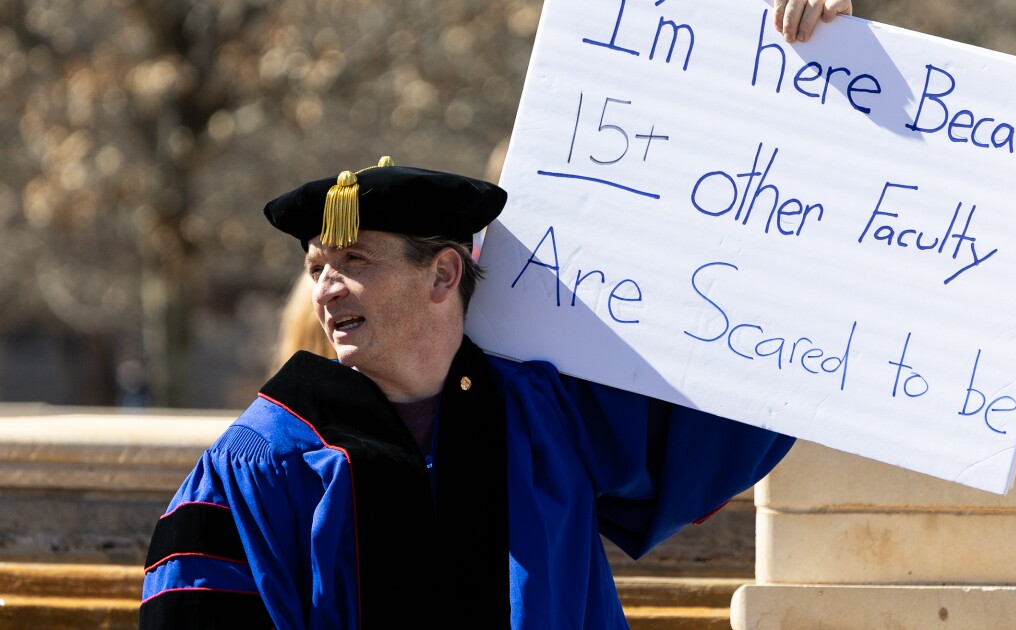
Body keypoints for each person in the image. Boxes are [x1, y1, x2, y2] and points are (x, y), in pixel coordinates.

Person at [139, 4, 850, 629]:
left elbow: (730, 404)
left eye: (355, 261)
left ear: (443, 273)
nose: (326, 289)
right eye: (317, 268)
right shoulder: (260, 459)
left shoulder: (543, 414)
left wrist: (812, 67)